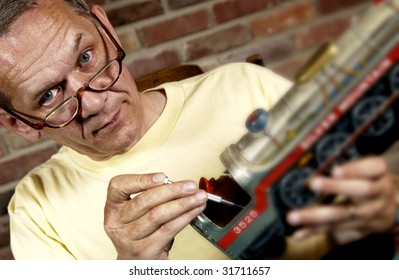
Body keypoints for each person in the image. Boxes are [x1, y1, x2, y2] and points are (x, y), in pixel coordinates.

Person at [0, 0, 397, 260]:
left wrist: (382, 209)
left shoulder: (244, 85)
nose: (93, 100)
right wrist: (132, 267)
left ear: (106, 27)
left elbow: (363, 209)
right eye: (50, 95)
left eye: (86, 56)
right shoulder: (37, 212)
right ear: (17, 122)